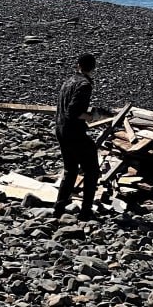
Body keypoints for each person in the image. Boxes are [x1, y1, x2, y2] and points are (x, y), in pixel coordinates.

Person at [55, 52, 99, 220]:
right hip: (74, 132)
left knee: (70, 169)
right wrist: (91, 116)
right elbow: (73, 112)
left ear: (78, 65)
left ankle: (59, 207)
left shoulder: (68, 82)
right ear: (93, 68)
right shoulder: (84, 85)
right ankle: (86, 210)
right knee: (91, 170)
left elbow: (64, 109)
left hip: (60, 129)